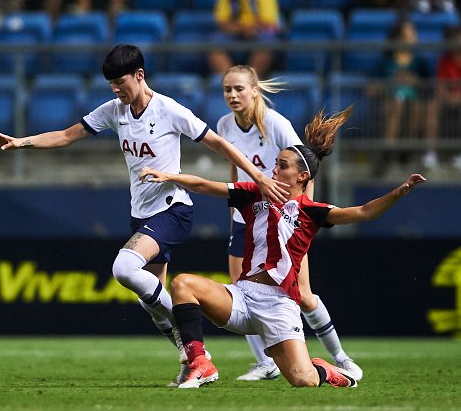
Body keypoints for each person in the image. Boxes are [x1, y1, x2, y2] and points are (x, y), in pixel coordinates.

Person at [0, 44, 290, 387]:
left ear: (140, 75)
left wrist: (259, 176)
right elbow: (67, 136)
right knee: (151, 302)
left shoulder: (169, 110)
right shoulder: (115, 110)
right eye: (111, 84)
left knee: (124, 268)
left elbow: (219, 144)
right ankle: (194, 358)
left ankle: (196, 348)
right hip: (141, 215)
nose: (115, 90)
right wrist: (21, 141)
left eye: (120, 82)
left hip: (173, 209)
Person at [139, 108, 426, 388]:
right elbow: (203, 185)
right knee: (182, 284)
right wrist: (170, 177)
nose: (274, 169)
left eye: (282, 165)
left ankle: (324, 369)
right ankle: (199, 362)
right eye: (276, 162)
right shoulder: (253, 193)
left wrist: (399, 192)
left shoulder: (312, 212)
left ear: (302, 177)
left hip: (279, 306)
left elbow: (363, 212)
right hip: (243, 296)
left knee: (304, 381)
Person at [216, 65, 363, 382]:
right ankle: (264, 363)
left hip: (283, 222)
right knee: (242, 290)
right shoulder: (224, 124)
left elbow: (304, 167)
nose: (232, 95)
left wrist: (300, 216)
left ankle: (341, 358)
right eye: (227, 89)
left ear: (255, 90)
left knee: (304, 294)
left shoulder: (276, 124)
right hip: (248, 217)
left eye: (239, 88)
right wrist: (234, 215)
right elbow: (235, 168)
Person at [381, 19, 433, 168]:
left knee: (414, 107)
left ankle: (408, 148)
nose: (411, 38)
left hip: (414, 98)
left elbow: (428, 84)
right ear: (398, 38)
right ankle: (388, 151)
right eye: (406, 35)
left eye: (412, 34)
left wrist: (415, 80)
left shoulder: (419, 61)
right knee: (396, 106)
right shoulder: (388, 61)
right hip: (392, 97)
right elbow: (377, 83)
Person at [208, 0, 281, 78]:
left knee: (267, 42)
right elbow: (222, 22)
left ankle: (250, 83)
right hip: (234, 32)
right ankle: (229, 82)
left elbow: (269, 22)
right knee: (214, 43)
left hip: (258, 32)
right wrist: (242, 29)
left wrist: (250, 28)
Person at [433, 25, 461, 169]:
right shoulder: (445, 61)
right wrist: (448, 97)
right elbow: (440, 86)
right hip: (447, 100)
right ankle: (430, 153)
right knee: (431, 108)